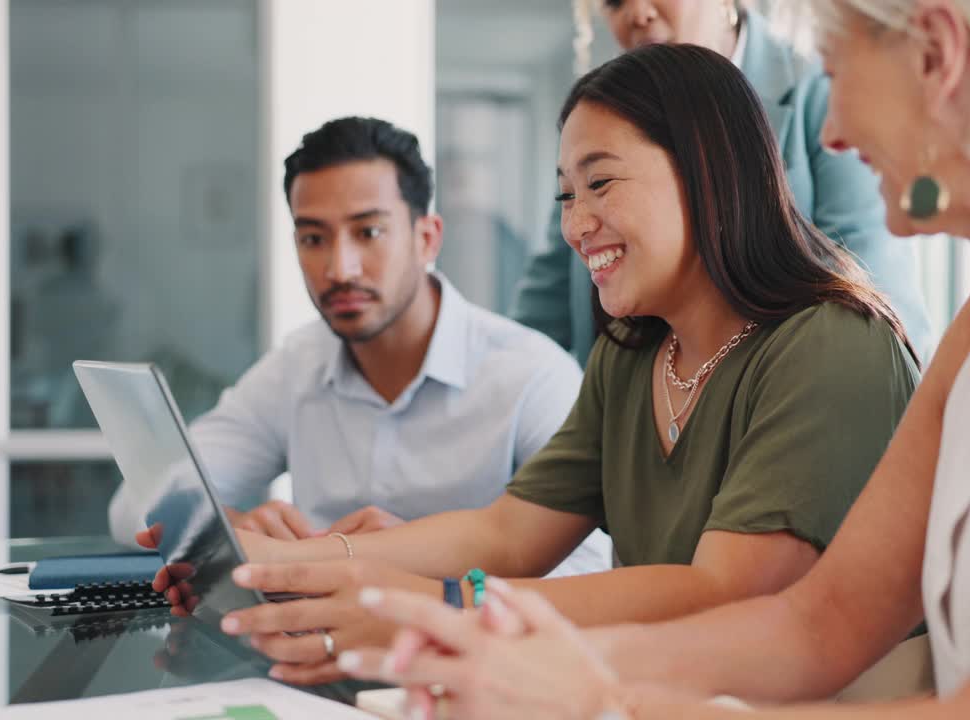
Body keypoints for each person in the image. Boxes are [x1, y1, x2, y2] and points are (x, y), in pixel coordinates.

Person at [341, 3, 970, 718]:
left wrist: (604, 700)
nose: (831, 128)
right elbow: (820, 623)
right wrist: (520, 657)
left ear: (936, 55)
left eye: (836, 72)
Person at [178, 36, 920, 688]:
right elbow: (506, 534)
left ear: (707, 172)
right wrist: (295, 563)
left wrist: (439, 609)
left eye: (600, 183)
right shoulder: (633, 356)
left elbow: (726, 592)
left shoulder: (831, 343)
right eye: (565, 194)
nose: (575, 223)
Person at [111, 116, 610, 577]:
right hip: (317, 649)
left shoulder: (530, 374)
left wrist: (420, 562)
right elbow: (135, 503)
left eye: (368, 232)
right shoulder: (295, 368)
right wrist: (229, 526)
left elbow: (592, 569)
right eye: (313, 239)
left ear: (427, 239)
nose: (339, 268)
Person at [512, 0, 935, 365]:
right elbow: (543, 311)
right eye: (615, 2)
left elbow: (870, 291)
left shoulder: (824, 98)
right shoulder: (596, 129)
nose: (637, 13)